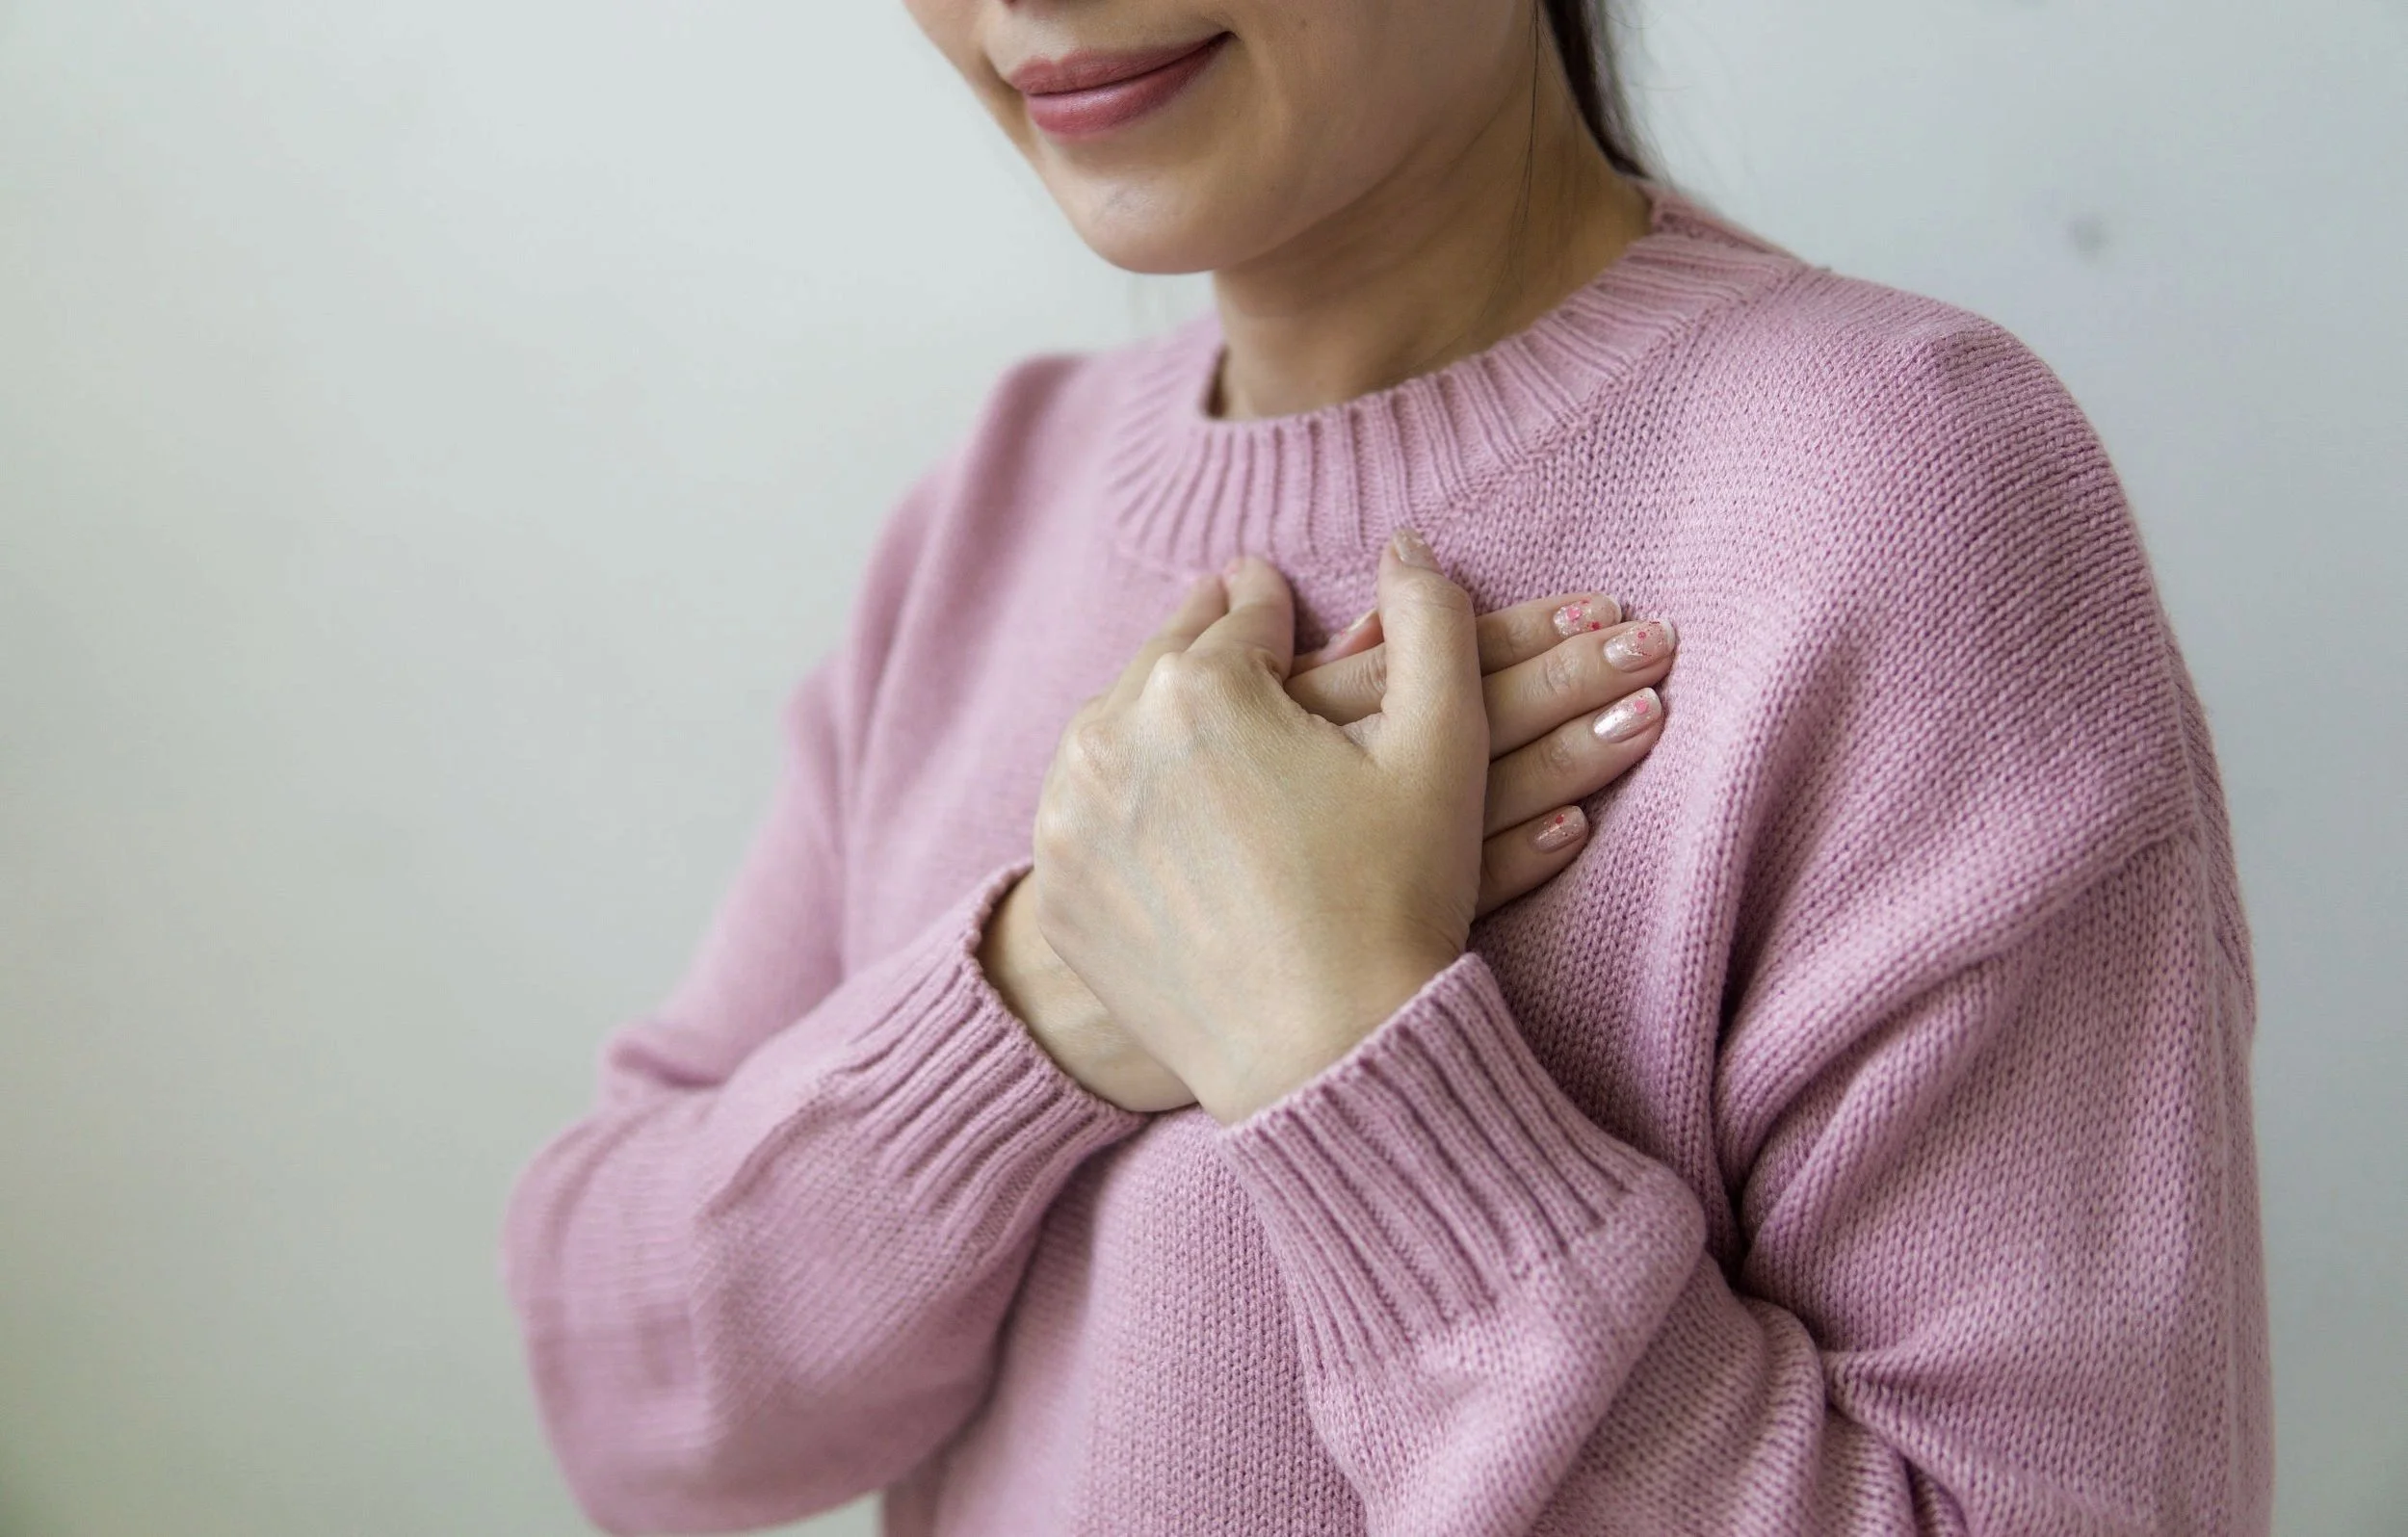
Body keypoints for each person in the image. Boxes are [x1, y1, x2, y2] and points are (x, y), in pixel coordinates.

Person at [500, 1, 2272, 1532]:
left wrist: (1349, 1056)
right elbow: (625, 1392)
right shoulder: (995, 504)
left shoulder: (1897, 500)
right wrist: (1050, 990)